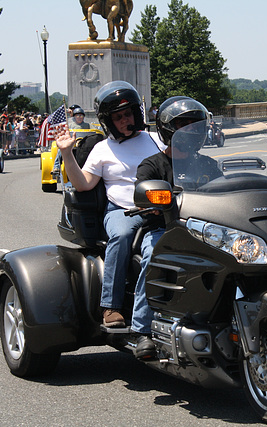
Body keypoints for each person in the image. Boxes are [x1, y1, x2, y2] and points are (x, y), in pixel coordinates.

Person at [55, 81, 164, 337]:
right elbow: (82, 184)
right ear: (109, 121)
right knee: (122, 236)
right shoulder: (102, 149)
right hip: (122, 211)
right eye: (118, 117)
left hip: (160, 208)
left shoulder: (157, 140)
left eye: (128, 114)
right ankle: (111, 306)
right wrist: (67, 154)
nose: (125, 120)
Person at [131, 96, 221, 359]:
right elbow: (142, 196)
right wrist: (152, 203)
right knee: (152, 257)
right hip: (164, 230)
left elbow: (226, 193)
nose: (190, 131)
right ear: (168, 129)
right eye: (184, 125)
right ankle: (142, 330)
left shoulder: (208, 164)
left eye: (195, 126)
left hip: (204, 231)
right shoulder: (152, 165)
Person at [52, 107, 90, 174]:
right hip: (72, 144)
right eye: (77, 115)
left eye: (81, 115)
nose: (79, 117)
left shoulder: (87, 125)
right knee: (62, 149)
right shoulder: (70, 125)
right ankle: (56, 167)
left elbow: (95, 131)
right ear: (74, 117)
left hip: (84, 144)